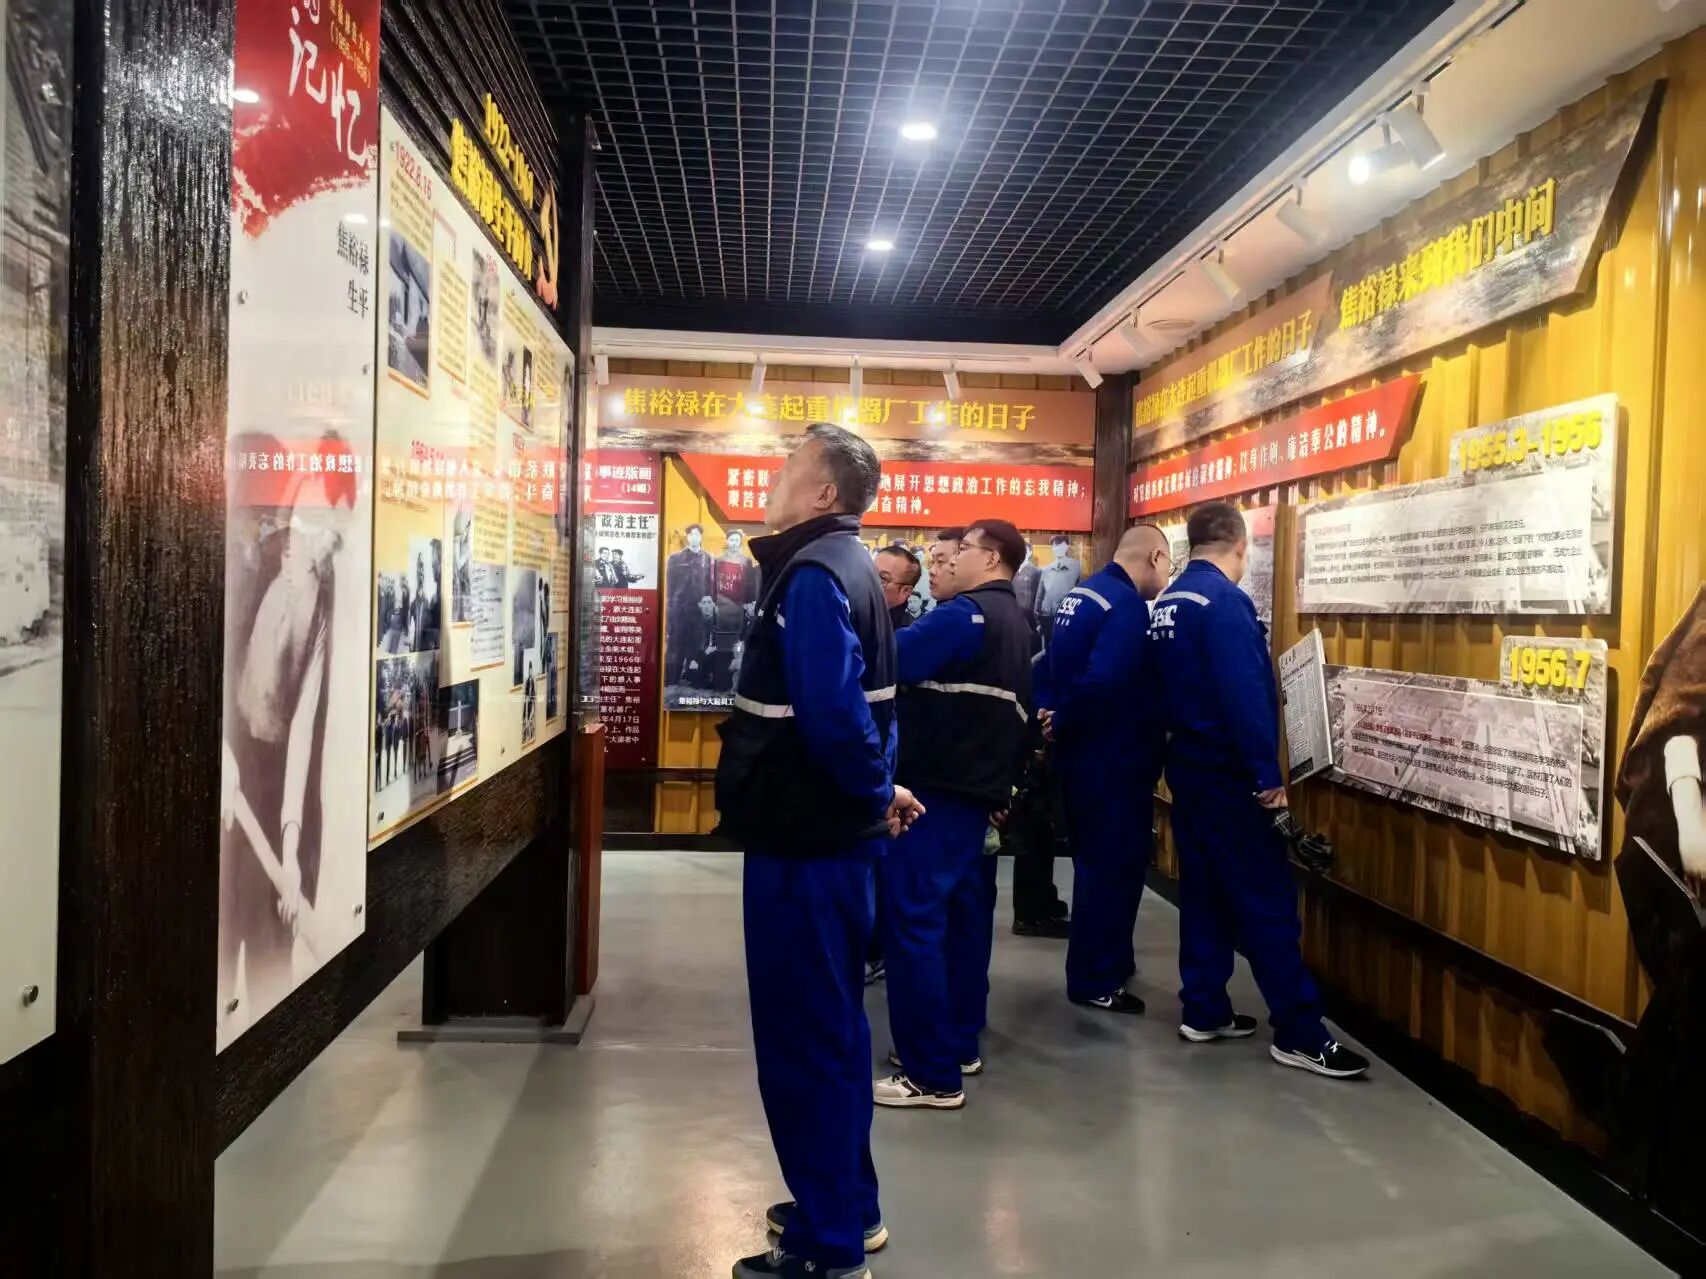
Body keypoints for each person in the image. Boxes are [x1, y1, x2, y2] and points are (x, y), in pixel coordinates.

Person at [714, 422, 923, 1279]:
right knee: (834, 1031)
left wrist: (872, 792)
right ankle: (849, 1208)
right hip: (828, 839)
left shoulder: (811, 575)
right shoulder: (852, 567)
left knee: (805, 1041)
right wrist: (883, 790)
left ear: (825, 492)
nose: (775, 476)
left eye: (791, 465)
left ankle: (828, 1245)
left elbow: (834, 716)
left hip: (803, 847)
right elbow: (871, 707)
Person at [1150, 501, 1369, 1079]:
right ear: (1240, 547)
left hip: (1188, 767)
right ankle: (1299, 1032)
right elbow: (1245, 696)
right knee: (1266, 900)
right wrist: (1268, 780)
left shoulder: (1170, 601)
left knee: (1203, 891)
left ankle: (1204, 1008)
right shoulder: (1224, 603)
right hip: (1231, 775)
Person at [876, 519, 1033, 1110]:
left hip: (936, 795)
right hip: (975, 795)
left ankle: (930, 1073)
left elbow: (887, 659)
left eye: (961, 550)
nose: (950, 560)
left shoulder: (965, 616)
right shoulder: (1015, 621)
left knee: (912, 924)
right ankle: (955, 1045)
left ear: (990, 558)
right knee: (959, 927)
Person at [1038, 524, 1172, 1012]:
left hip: (1081, 757)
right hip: (1113, 760)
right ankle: (1096, 979)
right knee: (1113, 869)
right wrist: (1064, 718)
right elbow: (1104, 681)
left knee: (1094, 865)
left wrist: (1052, 713)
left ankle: (1109, 962)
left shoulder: (1084, 594)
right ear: (1155, 558)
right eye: (1169, 565)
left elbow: (1050, 663)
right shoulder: (1127, 606)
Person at [666, 523, 714, 683]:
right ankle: (672, 676)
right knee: (676, 641)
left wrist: (709, 608)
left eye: (697, 535)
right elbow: (669, 585)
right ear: (687, 537)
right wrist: (670, 607)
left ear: (701, 537)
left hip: (699, 609)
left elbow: (711, 585)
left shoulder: (708, 559)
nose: (694, 538)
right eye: (691, 534)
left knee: (698, 642)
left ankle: (695, 675)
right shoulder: (674, 558)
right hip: (679, 608)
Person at [1034, 534, 1081, 642]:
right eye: (1055, 546)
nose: (1058, 548)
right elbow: (1040, 594)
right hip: (1046, 616)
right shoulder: (1046, 569)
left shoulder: (1076, 567)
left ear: (1067, 547)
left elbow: (1080, 593)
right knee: (1048, 645)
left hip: (1066, 616)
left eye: (1061, 545)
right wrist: (1037, 616)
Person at [874, 543, 921, 631]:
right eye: (870, 573)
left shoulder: (908, 635)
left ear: (905, 591)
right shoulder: (851, 617)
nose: (870, 582)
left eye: (882, 578)